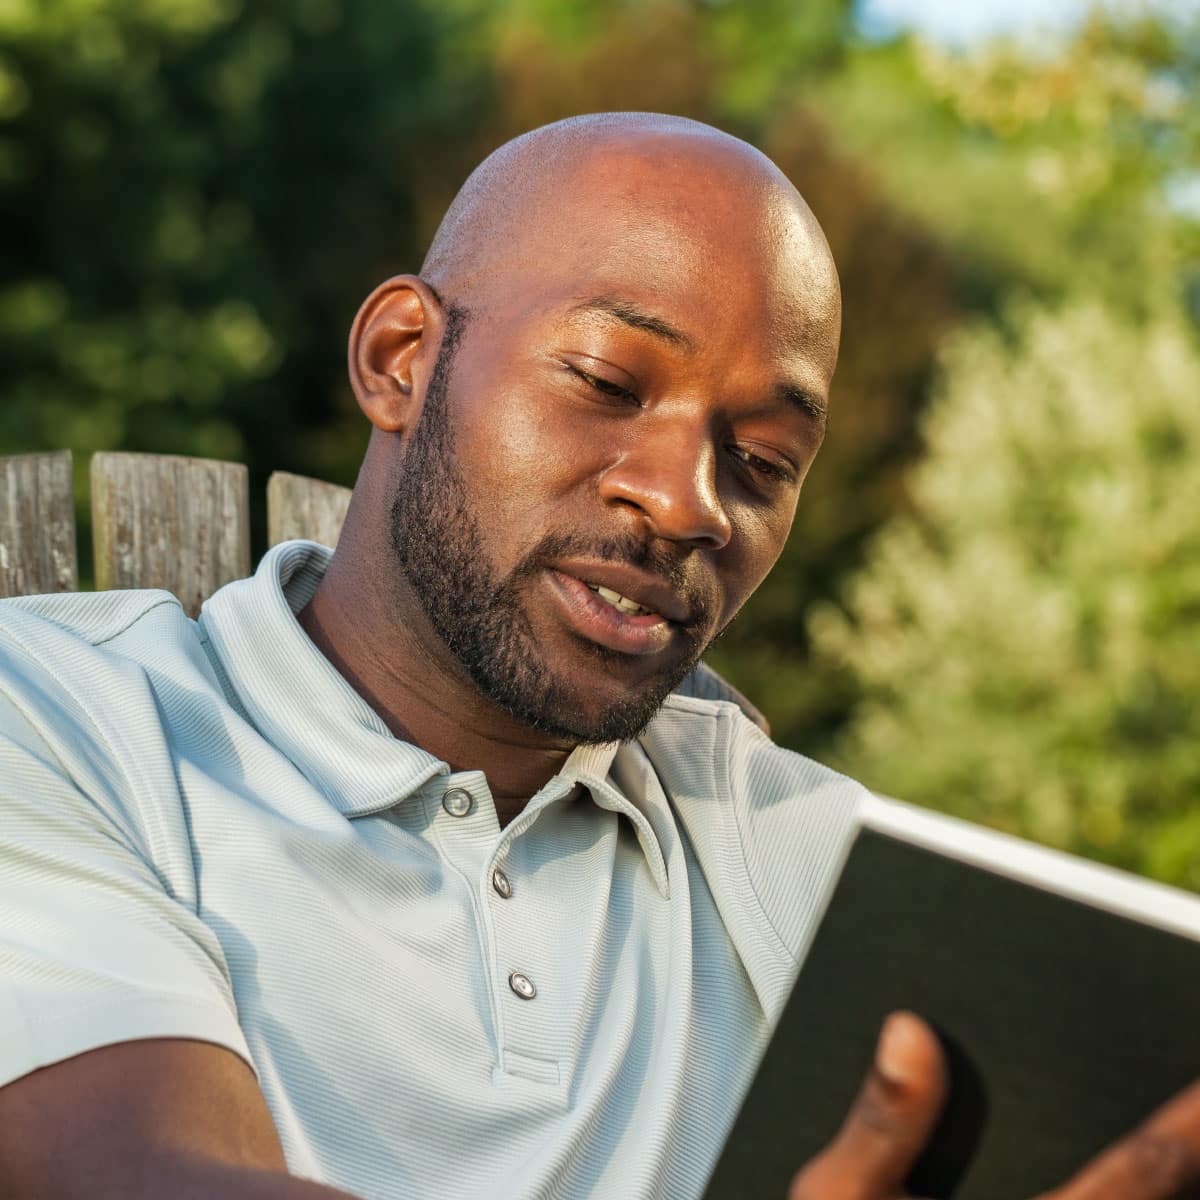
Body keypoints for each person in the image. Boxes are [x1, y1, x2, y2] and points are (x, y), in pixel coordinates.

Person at [0, 112, 1196, 1200]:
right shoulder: (60, 718)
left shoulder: (782, 848)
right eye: (608, 382)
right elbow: (138, 1175)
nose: (691, 506)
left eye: (765, 462)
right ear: (401, 358)